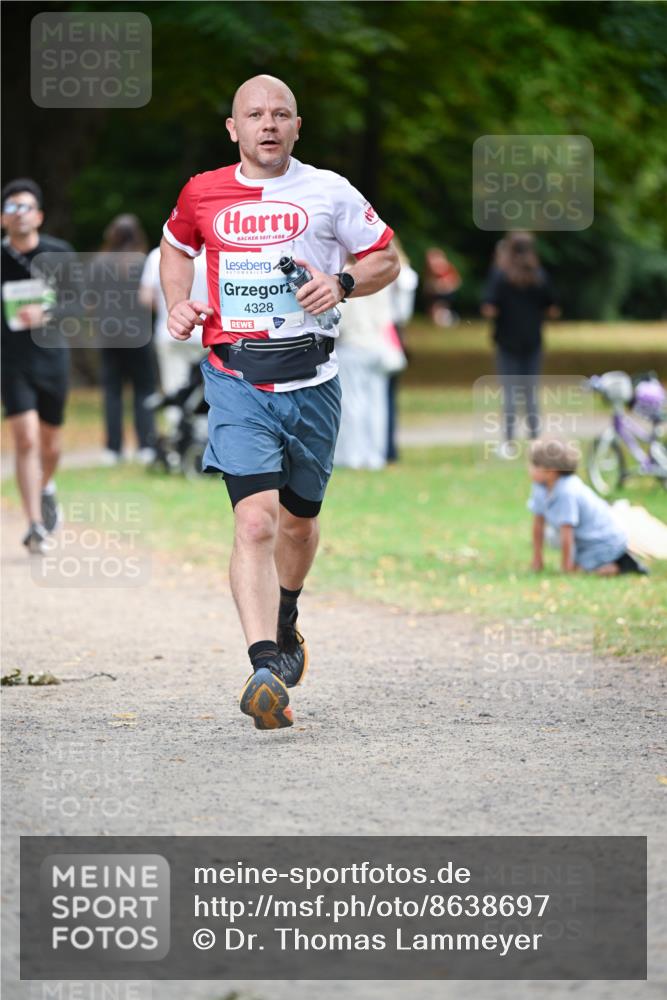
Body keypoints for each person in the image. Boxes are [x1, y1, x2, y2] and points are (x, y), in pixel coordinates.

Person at [160, 74, 399, 730]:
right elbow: (176, 245)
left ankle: (286, 618)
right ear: (232, 128)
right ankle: (264, 664)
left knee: (297, 523)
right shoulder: (201, 191)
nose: (268, 124)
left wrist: (342, 281)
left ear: (297, 126)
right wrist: (177, 301)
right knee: (255, 523)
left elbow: (387, 258)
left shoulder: (329, 191)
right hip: (234, 378)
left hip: (313, 381)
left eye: (281, 114)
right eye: (254, 115)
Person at [1, 178, 73, 554]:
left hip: (52, 358)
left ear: (39, 215)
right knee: (25, 438)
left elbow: (79, 303)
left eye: (26, 206)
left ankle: (46, 485)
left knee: (50, 444)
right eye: (12, 207)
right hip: (11, 362)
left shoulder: (58, 253)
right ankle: (33, 524)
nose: (19, 213)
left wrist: (45, 311)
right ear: (3, 218)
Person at [481, 232, 560, 459]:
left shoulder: (500, 275)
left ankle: (508, 442)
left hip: (507, 341)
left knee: (510, 392)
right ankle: (536, 439)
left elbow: (489, 308)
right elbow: (553, 308)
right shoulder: (540, 276)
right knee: (531, 392)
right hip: (533, 341)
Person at [528, 439, 648, 575]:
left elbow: (567, 532)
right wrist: (537, 558)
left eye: (535, 465)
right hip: (584, 540)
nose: (529, 468)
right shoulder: (540, 487)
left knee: (580, 570)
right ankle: (595, 561)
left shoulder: (566, 492)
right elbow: (538, 523)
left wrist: (567, 568)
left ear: (551, 471)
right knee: (551, 537)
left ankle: (622, 565)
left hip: (603, 541)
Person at [91, 214, 156, 464]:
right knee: (144, 390)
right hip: (139, 336)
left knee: (112, 393)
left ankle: (113, 450)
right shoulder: (142, 263)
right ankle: (146, 447)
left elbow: (90, 300)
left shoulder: (98, 263)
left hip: (108, 336)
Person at [334, 260, 404, 470]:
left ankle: (353, 456)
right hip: (378, 344)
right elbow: (392, 313)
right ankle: (375, 456)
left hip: (352, 344)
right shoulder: (381, 274)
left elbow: (341, 318)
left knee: (352, 403)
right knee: (377, 403)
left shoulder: (345, 274)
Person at [139, 245, 208, 426]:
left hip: (171, 332)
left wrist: (168, 308)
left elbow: (146, 298)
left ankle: (178, 436)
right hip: (206, 332)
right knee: (206, 389)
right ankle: (204, 434)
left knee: (175, 386)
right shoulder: (214, 252)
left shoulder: (158, 254)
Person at [423, 247, 461, 327]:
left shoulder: (447, 269)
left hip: (444, 294)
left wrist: (443, 285)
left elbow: (455, 282)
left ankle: (449, 319)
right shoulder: (430, 270)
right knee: (435, 311)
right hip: (435, 294)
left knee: (439, 310)